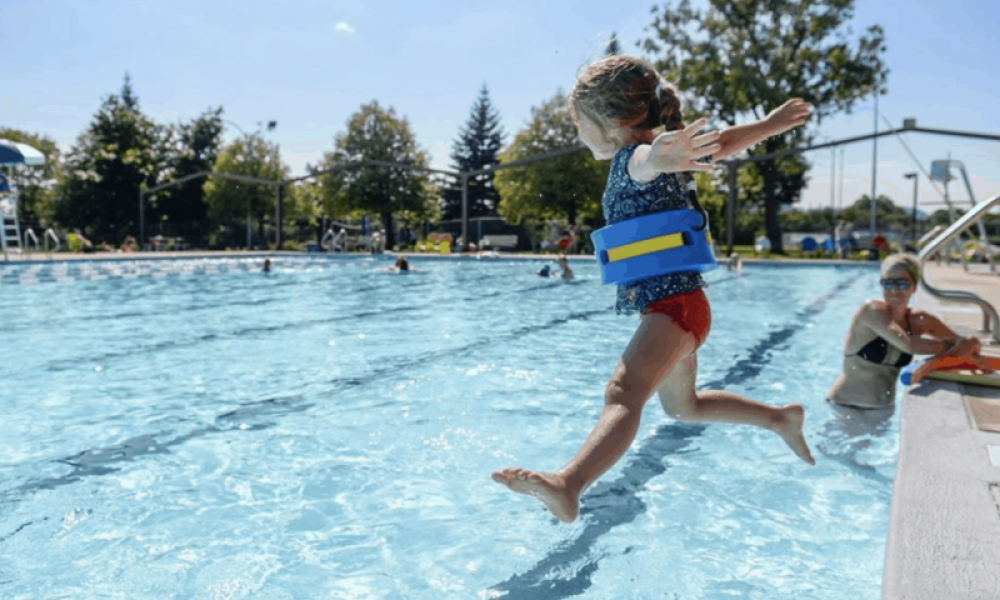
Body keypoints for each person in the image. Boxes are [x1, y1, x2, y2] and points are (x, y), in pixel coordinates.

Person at [491, 54, 815, 523]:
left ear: (613, 123)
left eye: (580, 123)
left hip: (674, 306)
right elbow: (719, 143)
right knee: (685, 407)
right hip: (679, 307)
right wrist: (768, 124)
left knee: (625, 391)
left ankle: (570, 482)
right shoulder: (672, 160)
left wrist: (661, 154)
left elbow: (647, 159)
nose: (578, 134)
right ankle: (779, 418)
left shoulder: (634, 160)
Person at [827, 253, 984, 410]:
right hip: (843, 407)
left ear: (914, 287)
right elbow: (907, 344)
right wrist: (956, 346)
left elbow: (962, 342)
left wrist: (972, 344)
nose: (894, 289)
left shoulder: (920, 320)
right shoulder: (871, 311)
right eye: (888, 283)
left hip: (884, 409)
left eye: (902, 283)